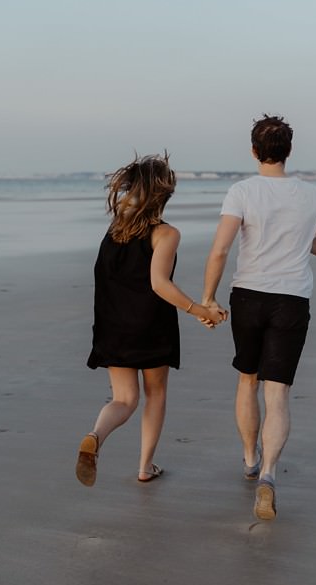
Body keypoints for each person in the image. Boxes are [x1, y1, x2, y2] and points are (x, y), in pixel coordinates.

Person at [201, 115, 316, 520]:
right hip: (292, 299)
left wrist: (208, 298)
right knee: (277, 391)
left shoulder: (242, 192)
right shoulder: (312, 195)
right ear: (289, 151)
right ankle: (268, 474)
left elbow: (220, 250)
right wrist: (299, 242)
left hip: (248, 295)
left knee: (247, 380)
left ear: (253, 151)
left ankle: (248, 458)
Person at [77, 153, 225, 487]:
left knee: (123, 399)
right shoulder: (166, 234)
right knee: (154, 395)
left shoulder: (115, 229)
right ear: (164, 196)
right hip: (150, 326)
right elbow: (159, 284)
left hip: (113, 326)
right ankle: (145, 466)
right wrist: (200, 311)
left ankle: (95, 435)